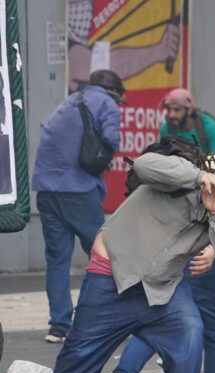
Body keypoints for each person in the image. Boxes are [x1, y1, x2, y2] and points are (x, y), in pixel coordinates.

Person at [44, 152, 215, 373]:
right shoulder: (182, 176)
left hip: (161, 290)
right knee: (79, 356)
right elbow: (143, 164)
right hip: (112, 278)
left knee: (190, 338)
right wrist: (198, 177)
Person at [106, 129, 215, 373]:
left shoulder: (209, 163)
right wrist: (214, 252)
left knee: (158, 324)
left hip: (172, 261)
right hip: (200, 264)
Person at [31, 69, 123, 343]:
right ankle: (111, 317)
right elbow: (112, 139)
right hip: (77, 189)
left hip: (46, 190)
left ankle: (59, 326)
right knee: (106, 253)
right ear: (115, 92)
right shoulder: (106, 103)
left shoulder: (70, 101)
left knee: (58, 260)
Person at [159, 88, 215, 154]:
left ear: (189, 110)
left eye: (177, 110)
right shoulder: (166, 130)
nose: (171, 115)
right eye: (168, 109)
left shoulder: (210, 128)